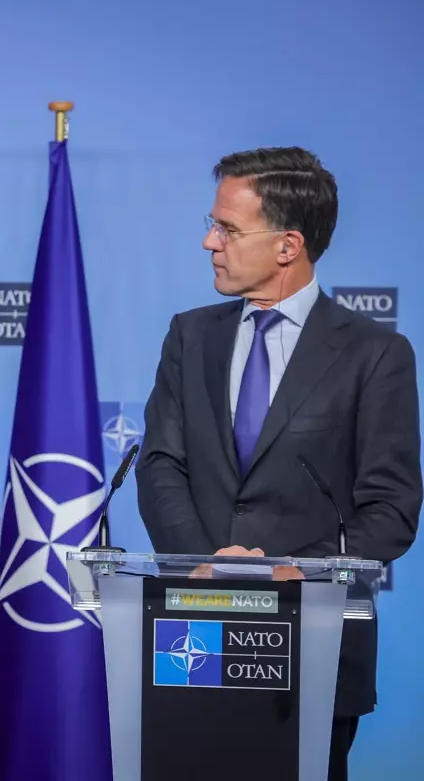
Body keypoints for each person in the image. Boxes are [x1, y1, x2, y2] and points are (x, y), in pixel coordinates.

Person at [135, 147, 421, 781]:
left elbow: (391, 509)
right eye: (214, 225)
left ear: (288, 245)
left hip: (311, 644)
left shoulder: (376, 354)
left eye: (228, 229)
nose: (210, 241)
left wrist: (297, 571)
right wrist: (204, 565)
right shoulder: (190, 334)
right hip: (194, 636)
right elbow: (160, 467)